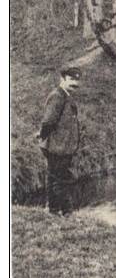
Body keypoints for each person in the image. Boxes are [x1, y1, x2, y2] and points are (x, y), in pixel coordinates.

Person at [37, 66, 82, 215]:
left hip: (64, 147)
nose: (75, 83)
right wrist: (43, 137)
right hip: (57, 147)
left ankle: (54, 210)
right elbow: (48, 122)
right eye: (71, 80)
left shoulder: (66, 96)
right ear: (62, 79)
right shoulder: (58, 96)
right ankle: (65, 212)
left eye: (77, 80)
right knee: (60, 179)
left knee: (55, 178)